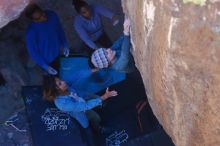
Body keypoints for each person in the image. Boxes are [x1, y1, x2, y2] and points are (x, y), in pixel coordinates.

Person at [43, 76, 117, 145]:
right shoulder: (63, 104)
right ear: (56, 90)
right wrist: (104, 97)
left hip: (82, 100)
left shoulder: (66, 89)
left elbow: (79, 81)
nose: (64, 81)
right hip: (80, 111)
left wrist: (92, 70)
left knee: (96, 98)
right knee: (93, 119)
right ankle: (97, 130)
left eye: (60, 80)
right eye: (60, 83)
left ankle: (99, 106)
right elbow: (85, 106)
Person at [25, 4, 69, 75]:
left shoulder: (52, 15)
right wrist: (45, 67)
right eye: (40, 18)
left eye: (43, 13)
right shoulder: (31, 33)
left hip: (59, 53)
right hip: (48, 62)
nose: (44, 17)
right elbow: (33, 52)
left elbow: (59, 30)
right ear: (34, 20)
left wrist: (65, 44)